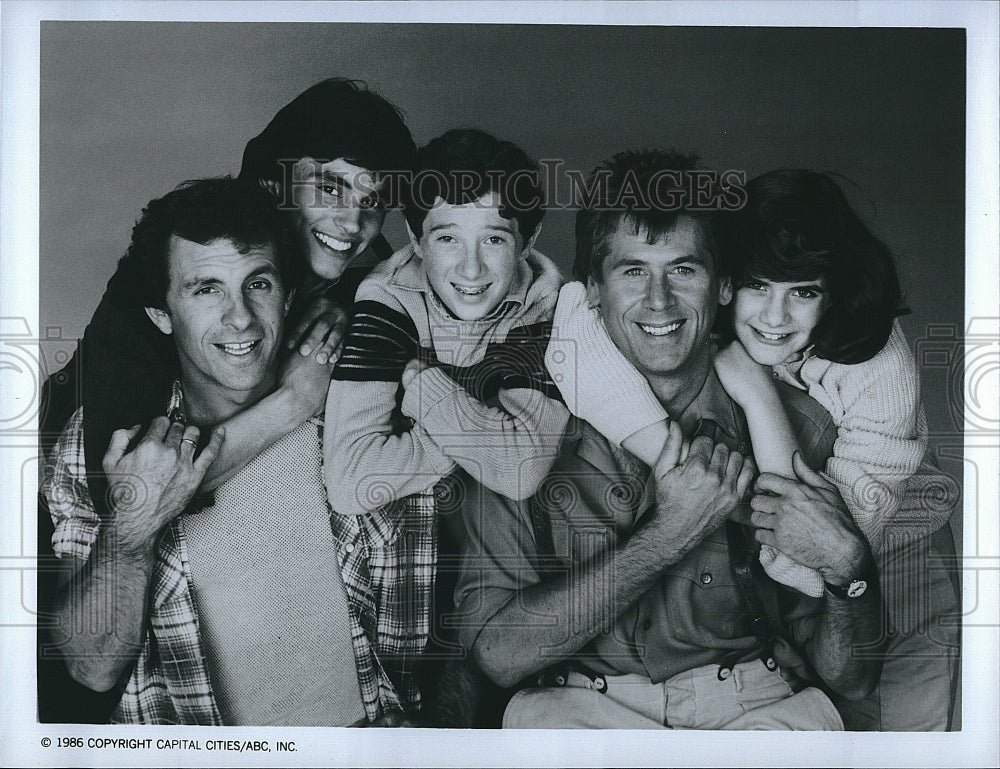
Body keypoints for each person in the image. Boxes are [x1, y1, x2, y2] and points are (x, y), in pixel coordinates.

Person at [454, 149, 884, 729]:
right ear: (591, 292)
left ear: (725, 285)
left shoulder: (796, 425)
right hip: (581, 711)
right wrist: (672, 532)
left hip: (754, 705)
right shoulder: (515, 425)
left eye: (684, 270)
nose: (659, 301)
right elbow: (500, 656)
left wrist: (849, 568)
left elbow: (850, 676)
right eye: (633, 271)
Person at [36, 78, 415, 722]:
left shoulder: (354, 263)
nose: (351, 224)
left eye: (373, 199)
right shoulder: (149, 299)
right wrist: (291, 404)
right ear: (274, 185)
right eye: (329, 188)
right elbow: (139, 489)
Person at [551, 168, 961, 730]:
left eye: (804, 292)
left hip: (896, 524)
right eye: (758, 286)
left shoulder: (880, 371)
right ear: (727, 282)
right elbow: (575, 329)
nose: (773, 317)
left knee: (907, 725)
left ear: (835, 292)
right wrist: (675, 458)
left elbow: (813, 556)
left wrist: (755, 393)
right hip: (804, 486)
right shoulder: (693, 301)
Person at [324, 128, 568, 515]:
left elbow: (521, 473)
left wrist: (423, 388)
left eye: (494, 241)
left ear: (529, 240)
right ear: (416, 239)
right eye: (447, 240)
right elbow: (351, 482)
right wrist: (486, 427)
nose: (471, 270)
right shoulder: (388, 297)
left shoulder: (547, 303)